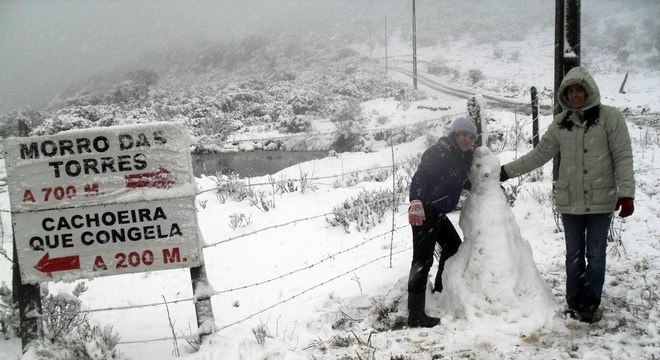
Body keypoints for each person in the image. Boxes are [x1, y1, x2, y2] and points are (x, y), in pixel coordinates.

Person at [500, 66, 635, 323]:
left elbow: (623, 156)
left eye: (579, 90)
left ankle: (590, 302)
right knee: (573, 256)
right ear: (565, 94)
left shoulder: (610, 117)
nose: (575, 95)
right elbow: (539, 155)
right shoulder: (561, 123)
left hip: (601, 199)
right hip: (570, 201)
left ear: (589, 91)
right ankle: (574, 302)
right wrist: (506, 172)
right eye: (571, 91)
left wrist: (626, 192)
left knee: (595, 255)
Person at [407, 117, 477, 327]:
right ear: (455, 134)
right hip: (425, 211)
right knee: (422, 260)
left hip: (438, 211)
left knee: (452, 245)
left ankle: (440, 287)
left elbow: (459, 179)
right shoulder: (438, 152)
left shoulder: (462, 156)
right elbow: (420, 177)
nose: (468, 140)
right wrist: (416, 200)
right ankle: (416, 314)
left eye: (472, 137)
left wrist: (488, 187)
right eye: (464, 135)